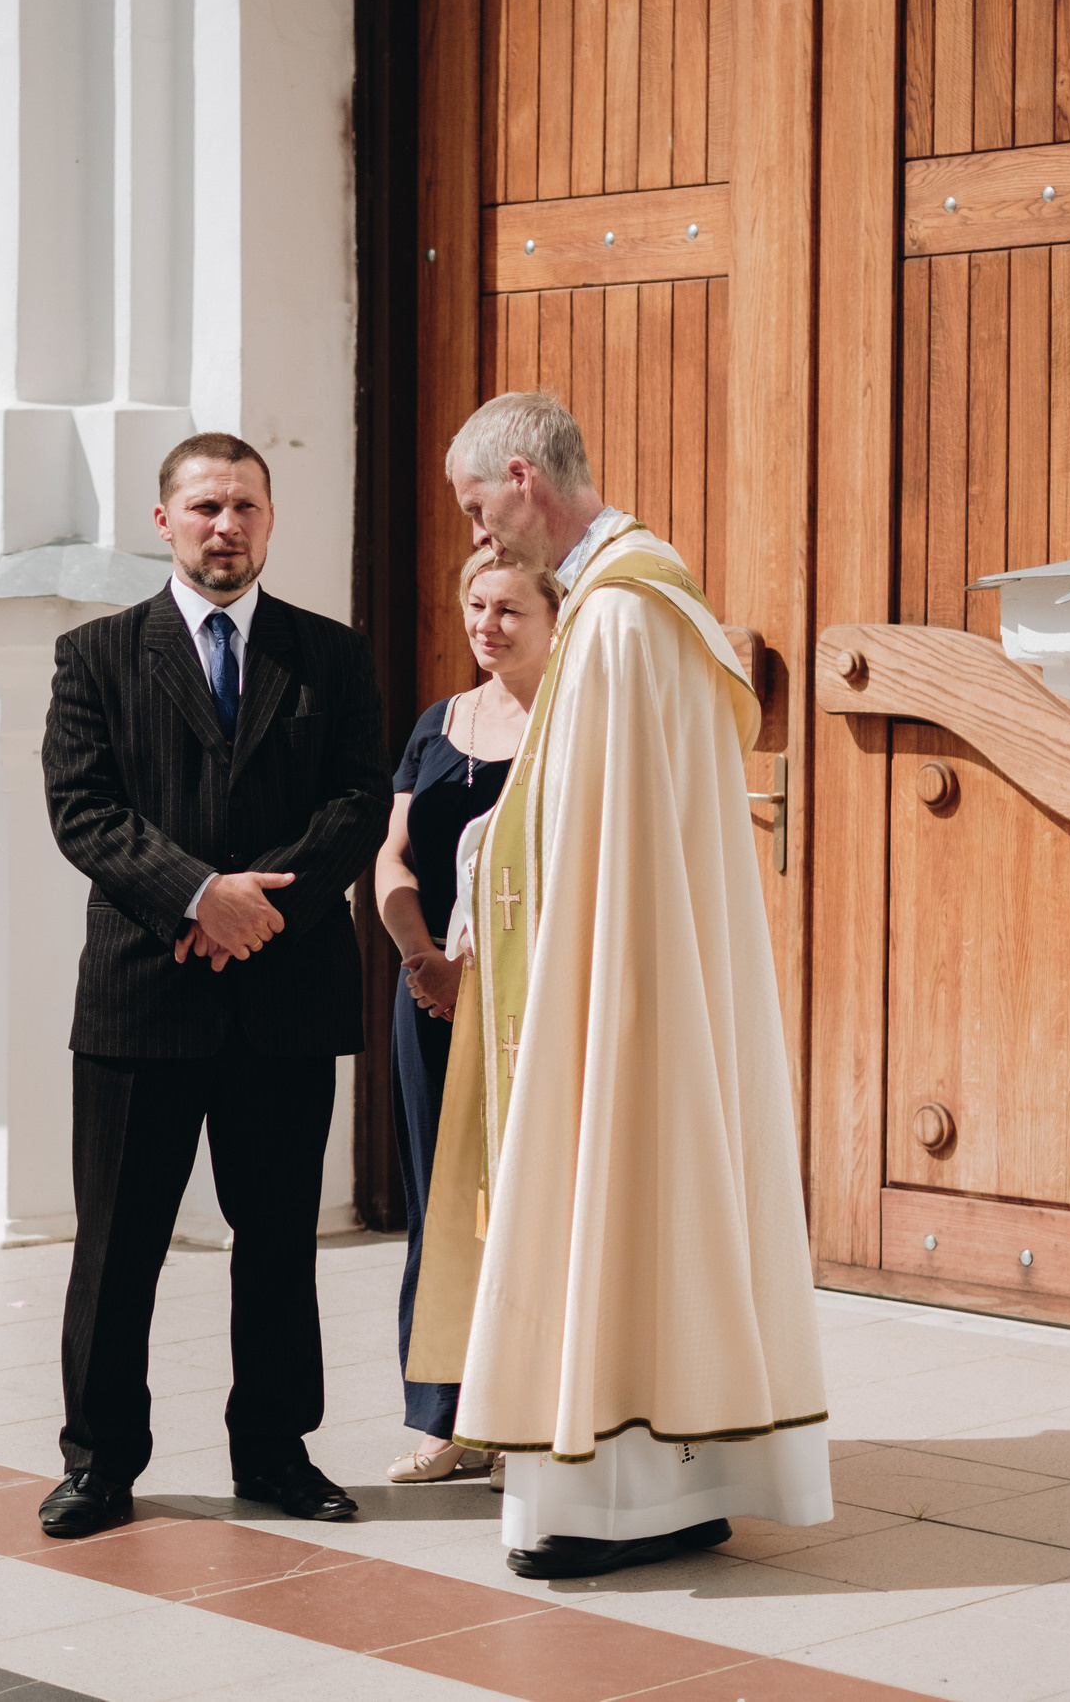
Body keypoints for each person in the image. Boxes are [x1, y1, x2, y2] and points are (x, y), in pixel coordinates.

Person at [406, 391, 834, 1579]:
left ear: (525, 479)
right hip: (621, 963)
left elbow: (592, 829)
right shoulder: (632, 598)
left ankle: (611, 1502)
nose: (480, 534)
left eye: (478, 503)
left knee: (614, 1203)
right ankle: (659, 1490)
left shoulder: (616, 619)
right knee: (640, 1214)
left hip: (614, 979)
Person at [37, 432, 390, 1538]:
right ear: (164, 522)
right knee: (117, 1243)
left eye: (244, 505)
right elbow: (84, 810)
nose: (223, 524)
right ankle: (99, 1462)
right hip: (145, 994)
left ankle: (276, 1451)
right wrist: (199, 895)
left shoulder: (331, 658)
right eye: (203, 506)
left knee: (280, 1238)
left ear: (270, 520)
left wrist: (257, 909)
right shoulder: (95, 655)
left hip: (284, 994)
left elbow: (357, 802)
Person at [371, 547, 562, 1484]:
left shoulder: (575, 728)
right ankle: (447, 1415)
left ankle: (526, 1409)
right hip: (433, 995)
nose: (488, 625)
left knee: (529, 1201)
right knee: (438, 1200)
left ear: (554, 616)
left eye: (510, 609)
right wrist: (425, 960)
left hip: (536, 999)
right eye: (475, 606)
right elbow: (395, 857)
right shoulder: (439, 723)